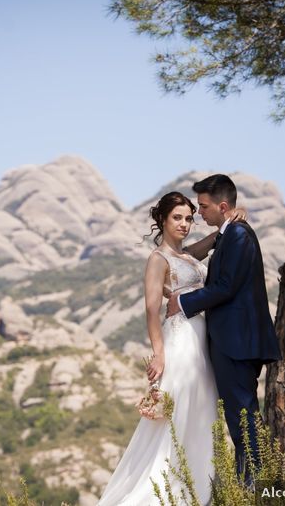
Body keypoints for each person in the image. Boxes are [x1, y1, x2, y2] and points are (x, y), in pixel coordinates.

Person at [98, 191, 228, 505]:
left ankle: (197, 492)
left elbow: (202, 248)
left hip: (202, 344)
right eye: (177, 218)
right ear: (163, 220)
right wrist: (159, 353)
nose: (184, 224)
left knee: (201, 412)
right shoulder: (157, 260)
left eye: (188, 218)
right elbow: (151, 309)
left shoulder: (186, 257)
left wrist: (225, 225)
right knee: (178, 415)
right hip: (180, 343)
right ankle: (166, 495)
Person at [166, 174, 281, 484]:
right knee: (238, 418)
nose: (199, 213)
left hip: (238, 342)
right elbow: (189, 257)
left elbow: (226, 287)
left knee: (243, 417)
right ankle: (250, 484)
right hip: (230, 341)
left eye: (203, 207)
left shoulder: (240, 236)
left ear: (223, 205)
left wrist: (183, 303)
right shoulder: (228, 235)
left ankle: (254, 487)